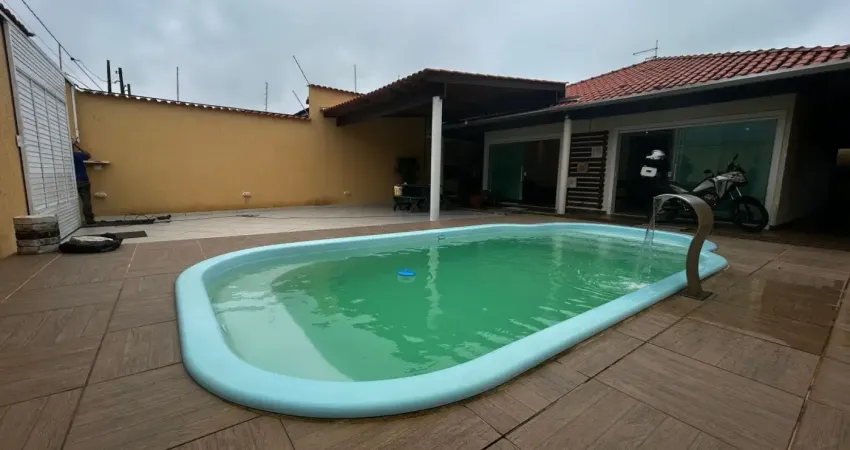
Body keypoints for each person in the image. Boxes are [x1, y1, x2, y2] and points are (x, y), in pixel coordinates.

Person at [73, 139, 95, 224]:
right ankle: (89, 218)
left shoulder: (67, 156)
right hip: (83, 180)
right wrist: (78, 146)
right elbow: (88, 155)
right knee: (86, 200)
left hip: (72, 181)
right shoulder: (80, 155)